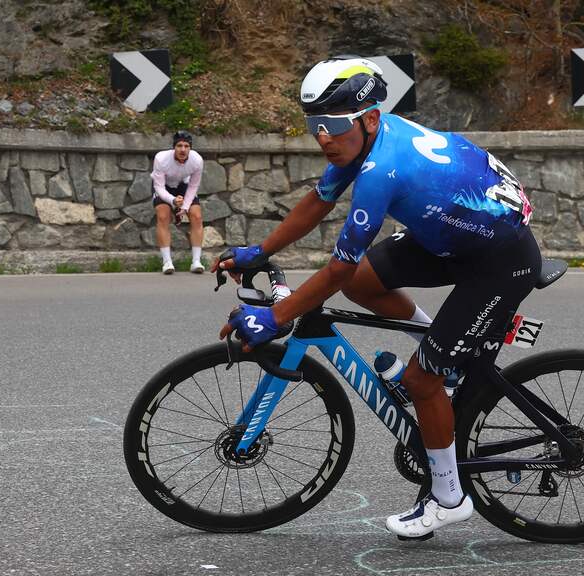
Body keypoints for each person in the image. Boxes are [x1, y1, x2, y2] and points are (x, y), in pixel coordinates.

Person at [214, 56, 539, 540]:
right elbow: (318, 203)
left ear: (367, 119)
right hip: (458, 236)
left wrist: (276, 317)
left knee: (420, 380)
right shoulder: (368, 140)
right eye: (314, 125)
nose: (322, 137)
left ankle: (448, 497)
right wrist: (257, 251)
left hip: (498, 261)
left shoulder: (379, 171)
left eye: (332, 125)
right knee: (363, 282)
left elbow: (336, 265)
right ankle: (445, 363)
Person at [151, 130, 205, 274]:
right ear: (174, 147)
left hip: (184, 185)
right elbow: (159, 187)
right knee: (163, 216)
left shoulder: (197, 160)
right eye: (179, 146)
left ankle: (196, 261)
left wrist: (185, 206)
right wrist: (173, 201)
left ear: (190, 148)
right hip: (164, 186)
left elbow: (194, 186)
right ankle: (167, 262)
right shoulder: (161, 158)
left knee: (197, 216)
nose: (183, 149)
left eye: (186, 146)